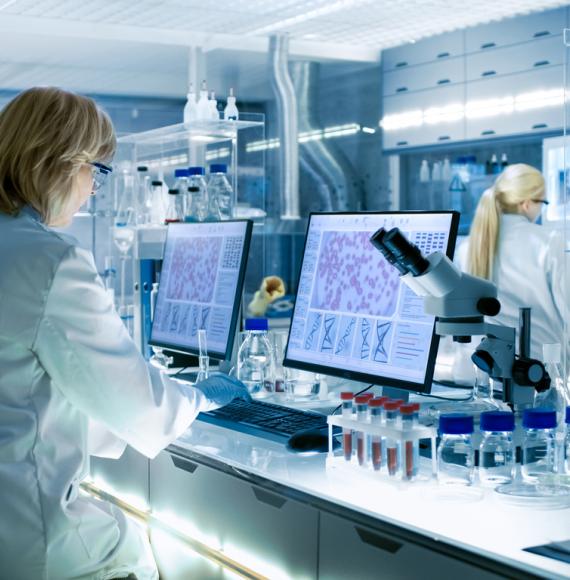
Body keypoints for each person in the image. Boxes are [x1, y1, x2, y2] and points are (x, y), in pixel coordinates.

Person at [0, 87, 250, 579]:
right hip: (32, 542)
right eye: (96, 170)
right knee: (149, 558)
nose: (93, 188)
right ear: (61, 162)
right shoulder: (50, 260)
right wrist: (198, 397)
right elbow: (137, 403)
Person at [439, 163, 566, 384]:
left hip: (478, 377)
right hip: (537, 379)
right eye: (542, 203)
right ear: (527, 204)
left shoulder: (467, 246)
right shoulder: (550, 243)